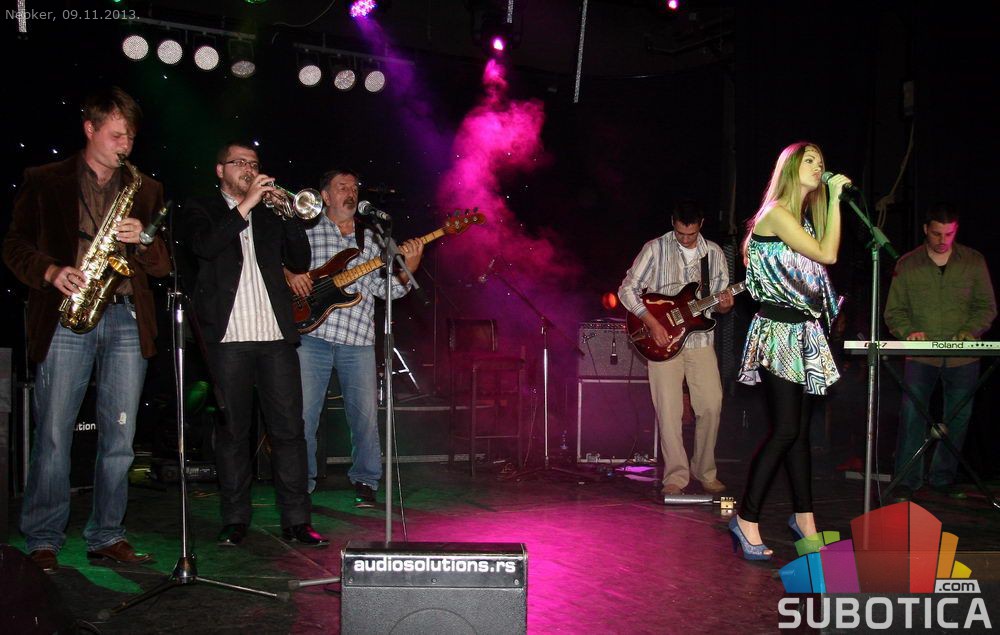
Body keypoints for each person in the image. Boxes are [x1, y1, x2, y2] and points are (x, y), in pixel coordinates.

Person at [3, 86, 170, 573]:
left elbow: (163, 266)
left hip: (126, 316)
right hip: (66, 312)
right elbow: (13, 246)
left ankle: (107, 534)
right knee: (54, 433)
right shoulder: (44, 179)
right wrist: (51, 271)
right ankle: (43, 536)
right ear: (90, 129)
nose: (125, 146)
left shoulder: (146, 189)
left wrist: (145, 241)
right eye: (116, 135)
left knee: (120, 436)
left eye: (131, 137)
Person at [181, 142, 327, 547]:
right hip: (228, 339)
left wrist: (290, 215)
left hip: (275, 337)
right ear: (220, 169)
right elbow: (204, 247)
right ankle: (235, 519)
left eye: (254, 163)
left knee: (289, 432)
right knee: (233, 434)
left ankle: (297, 520)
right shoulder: (201, 208)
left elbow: (299, 261)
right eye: (240, 163)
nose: (248, 168)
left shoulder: (269, 213)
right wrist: (245, 205)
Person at [732, 142, 850, 560]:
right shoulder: (777, 213)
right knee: (785, 430)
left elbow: (820, 261)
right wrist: (835, 197)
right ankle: (746, 518)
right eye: (810, 160)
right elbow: (828, 254)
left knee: (797, 431)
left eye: (822, 161)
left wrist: (829, 204)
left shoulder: (801, 221)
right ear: (790, 168)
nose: (819, 166)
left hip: (802, 331)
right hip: (779, 332)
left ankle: (805, 520)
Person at [285, 168, 424, 507]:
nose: (350, 192)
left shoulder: (371, 238)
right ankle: (301, 486)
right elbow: (275, 262)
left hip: (358, 338)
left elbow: (382, 289)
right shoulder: (306, 229)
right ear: (325, 196)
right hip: (312, 335)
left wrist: (410, 270)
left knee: (364, 417)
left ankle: (366, 481)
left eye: (354, 187)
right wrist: (288, 274)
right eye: (342, 187)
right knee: (304, 416)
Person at [618, 200, 733, 496]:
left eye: (691, 234)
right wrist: (651, 322)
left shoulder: (714, 253)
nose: (685, 239)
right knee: (669, 411)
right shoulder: (655, 248)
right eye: (680, 233)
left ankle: (704, 470)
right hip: (661, 339)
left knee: (711, 404)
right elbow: (627, 289)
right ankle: (676, 476)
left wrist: (724, 305)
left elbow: (717, 304)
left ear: (701, 225)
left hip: (699, 340)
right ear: (673, 223)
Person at [884, 204, 996, 501]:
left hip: (963, 356)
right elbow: (894, 311)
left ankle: (943, 477)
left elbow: (986, 307)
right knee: (912, 415)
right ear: (926, 230)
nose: (942, 240)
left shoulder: (973, 261)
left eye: (949, 234)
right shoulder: (908, 264)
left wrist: (970, 330)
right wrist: (909, 332)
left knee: (958, 418)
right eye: (936, 234)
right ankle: (908, 479)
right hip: (921, 355)